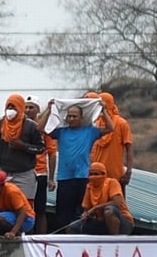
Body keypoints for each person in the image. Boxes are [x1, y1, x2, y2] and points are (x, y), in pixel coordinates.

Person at [36, 98, 113, 230]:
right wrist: (49, 110)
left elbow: (110, 128)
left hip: (82, 176)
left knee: (80, 213)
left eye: (74, 116)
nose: (71, 119)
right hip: (65, 177)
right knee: (63, 213)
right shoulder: (61, 132)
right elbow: (40, 128)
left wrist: (103, 110)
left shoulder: (90, 131)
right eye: (69, 116)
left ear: (81, 118)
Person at [0, 93, 45, 204]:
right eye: (8, 107)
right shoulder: (0, 124)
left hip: (25, 176)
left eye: (13, 107)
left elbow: (41, 148)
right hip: (4, 174)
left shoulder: (31, 126)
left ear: (20, 107)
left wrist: (23, 146)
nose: (10, 110)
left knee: (25, 208)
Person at [66, 162, 134, 235]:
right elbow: (87, 209)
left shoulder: (112, 182)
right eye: (91, 174)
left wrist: (95, 208)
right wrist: (85, 214)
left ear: (103, 174)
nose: (93, 177)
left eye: (96, 174)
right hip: (102, 223)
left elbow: (116, 203)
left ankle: (115, 241)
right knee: (72, 227)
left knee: (109, 211)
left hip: (123, 223)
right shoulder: (89, 187)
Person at [89, 92, 135, 196]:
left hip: (116, 176)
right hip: (97, 176)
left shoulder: (121, 123)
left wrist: (129, 171)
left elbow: (129, 149)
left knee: (116, 208)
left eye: (102, 102)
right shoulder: (96, 123)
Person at [23, 95, 56, 234]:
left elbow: (52, 152)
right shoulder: (18, 126)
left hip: (40, 173)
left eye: (31, 107)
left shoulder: (44, 128)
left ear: (37, 110)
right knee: (23, 207)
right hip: (23, 173)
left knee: (40, 209)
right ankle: (25, 235)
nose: (28, 110)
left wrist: (51, 178)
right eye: (26, 107)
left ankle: (42, 239)